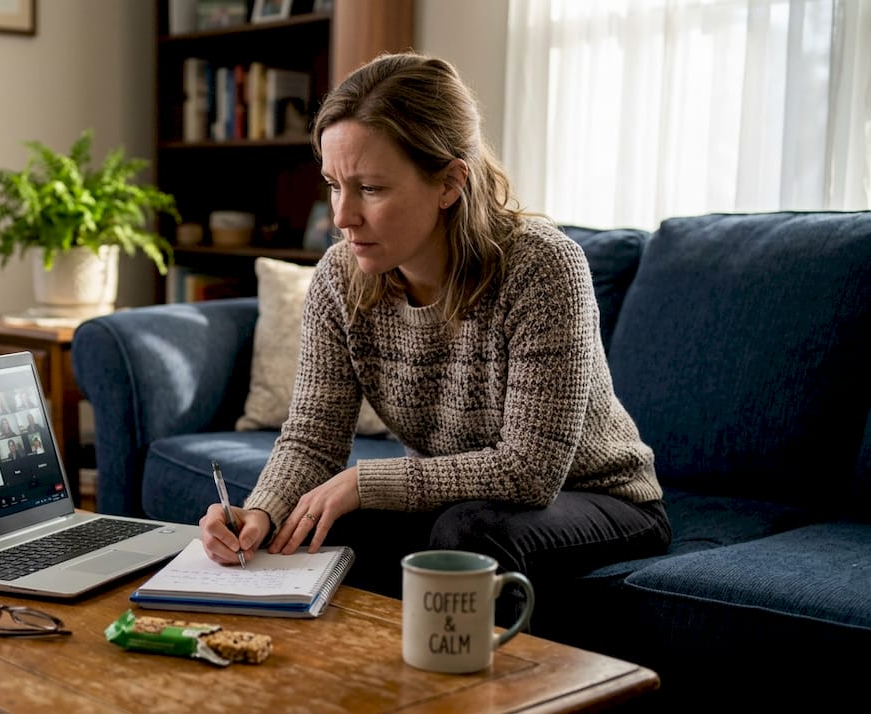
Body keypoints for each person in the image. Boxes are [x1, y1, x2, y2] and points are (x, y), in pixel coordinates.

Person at [199, 52, 671, 599]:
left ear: (449, 182)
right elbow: (311, 438)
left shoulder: (542, 267)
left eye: (370, 189)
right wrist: (261, 512)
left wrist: (362, 481)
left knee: (465, 534)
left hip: (603, 498)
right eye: (334, 185)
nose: (342, 216)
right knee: (318, 528)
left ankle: (463, 686)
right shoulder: (339, 277)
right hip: (462, 499)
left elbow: (528, 472)